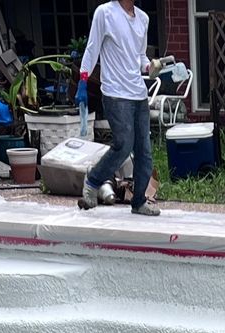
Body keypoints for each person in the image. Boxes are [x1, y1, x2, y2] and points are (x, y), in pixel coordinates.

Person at [78, 0, 159, 217]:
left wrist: (149, 66)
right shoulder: (105, 13)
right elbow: (92, 48)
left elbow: (140, 56)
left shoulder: (143, 19)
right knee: (123, 145)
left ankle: (139, 201)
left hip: (138, 94)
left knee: (144, 151)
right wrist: (83, 80)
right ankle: (93, 180)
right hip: (115, 93)